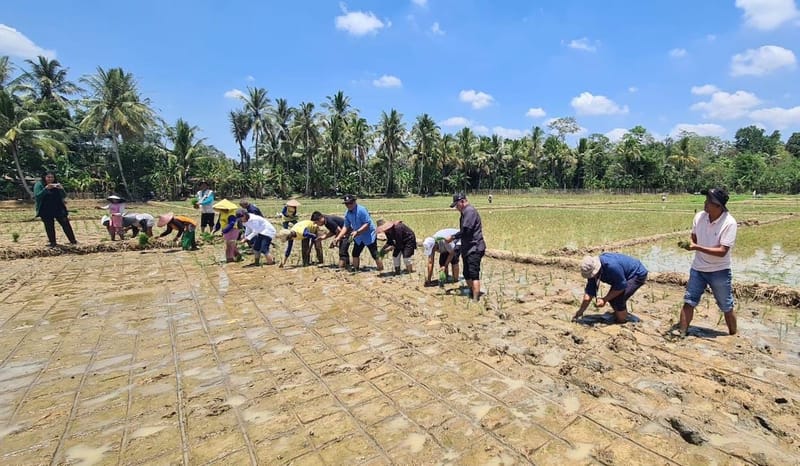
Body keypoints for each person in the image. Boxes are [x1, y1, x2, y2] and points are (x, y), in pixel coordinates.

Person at [677, 188, 738, 336]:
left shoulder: (729, 223)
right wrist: (689, 243)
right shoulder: (699, 217)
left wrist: (696, 247)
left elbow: (722, 252)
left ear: (718, 206)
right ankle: (681, 333)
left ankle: (734, 335)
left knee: (726, 305)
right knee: (689, 301)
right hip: (698, 268)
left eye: (709, 201)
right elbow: (694, 237)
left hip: (719, 271)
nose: (705, 203)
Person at [573, 253, 648, 324]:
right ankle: (620, 314)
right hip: (621, 277)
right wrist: (580, 312)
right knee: (613, 299)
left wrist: (604, 299)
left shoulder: (611, 266)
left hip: (636, 274)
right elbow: (589, 294)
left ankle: (623, 321)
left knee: (618, 299)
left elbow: (621, 286)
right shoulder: (593, 272)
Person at [445, 193, 485, 302]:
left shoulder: (469, 211)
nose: (456, 208)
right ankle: (472, 292)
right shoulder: (464, 213)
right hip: (467, 247)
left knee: (473, 274)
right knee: (466, 273)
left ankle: (476, 300)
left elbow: (466, 231)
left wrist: (453, 237)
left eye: (457, 205)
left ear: (462, 201)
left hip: (474, 247)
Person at [333, 194, 384, 272]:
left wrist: (357, 231)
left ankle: (381, 269)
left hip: (368, 235)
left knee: (374, 254)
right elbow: (345, 227)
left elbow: (367, 224)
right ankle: (356, 269)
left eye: (350, 203)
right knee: (355, 253)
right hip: (358, 236)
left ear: (354, 202)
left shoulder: (361, 210)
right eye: (346, 204)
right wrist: (338, 237)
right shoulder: (347, 213)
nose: (348, 205)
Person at [33, 171, 77, 247]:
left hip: (58, 208)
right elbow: (37, 196)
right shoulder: (39, 184)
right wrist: (45, 189)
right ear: (44, 177)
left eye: (52, 177)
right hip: (45, 209)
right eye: (48, 177)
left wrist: (61, 189)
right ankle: (53, 242)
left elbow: (63, 196)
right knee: (49, 226)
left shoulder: (56, 184)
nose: (50, 179)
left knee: (65, 223)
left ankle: (73, 240)